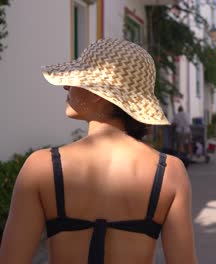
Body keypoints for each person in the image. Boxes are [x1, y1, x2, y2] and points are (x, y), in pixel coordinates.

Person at [0, 39, 197, 264]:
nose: (66, 86)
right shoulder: (169, 172)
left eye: (75, 79)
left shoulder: (42, 167)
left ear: (97, 93)